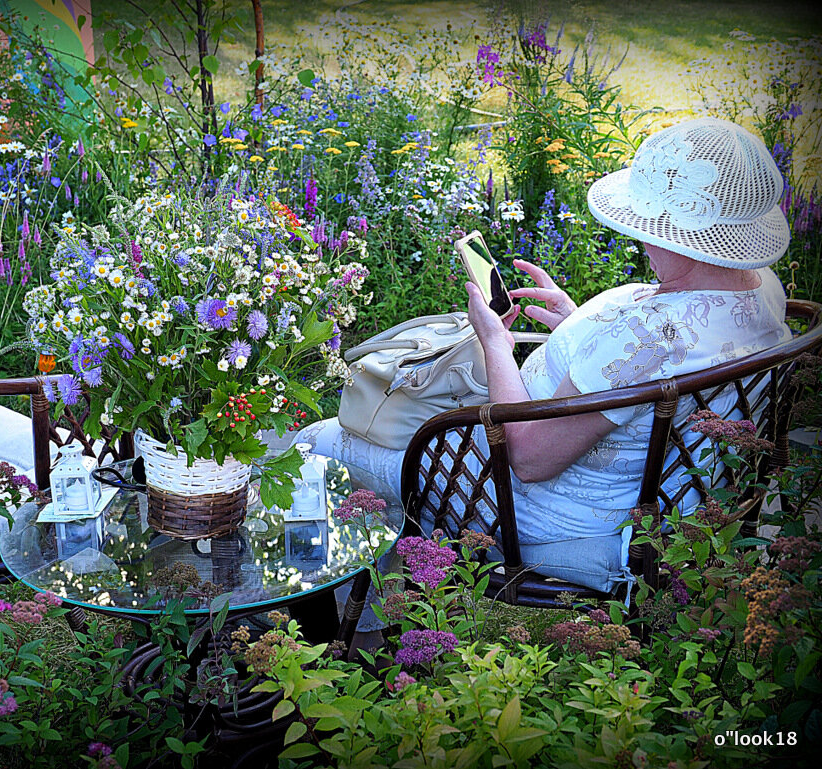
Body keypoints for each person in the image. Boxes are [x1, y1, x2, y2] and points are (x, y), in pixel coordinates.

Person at [295, 117, 793, 643]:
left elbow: (529, 459)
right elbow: (652, 370)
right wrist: (577, 331)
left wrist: (494, 345)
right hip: (660, 499)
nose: (640, 239)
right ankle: (411, 607)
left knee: (312, 447)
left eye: (650, 227)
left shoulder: (645, 338)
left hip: (561, 518)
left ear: (690, 237)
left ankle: (308, 647)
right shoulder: (761, 290)